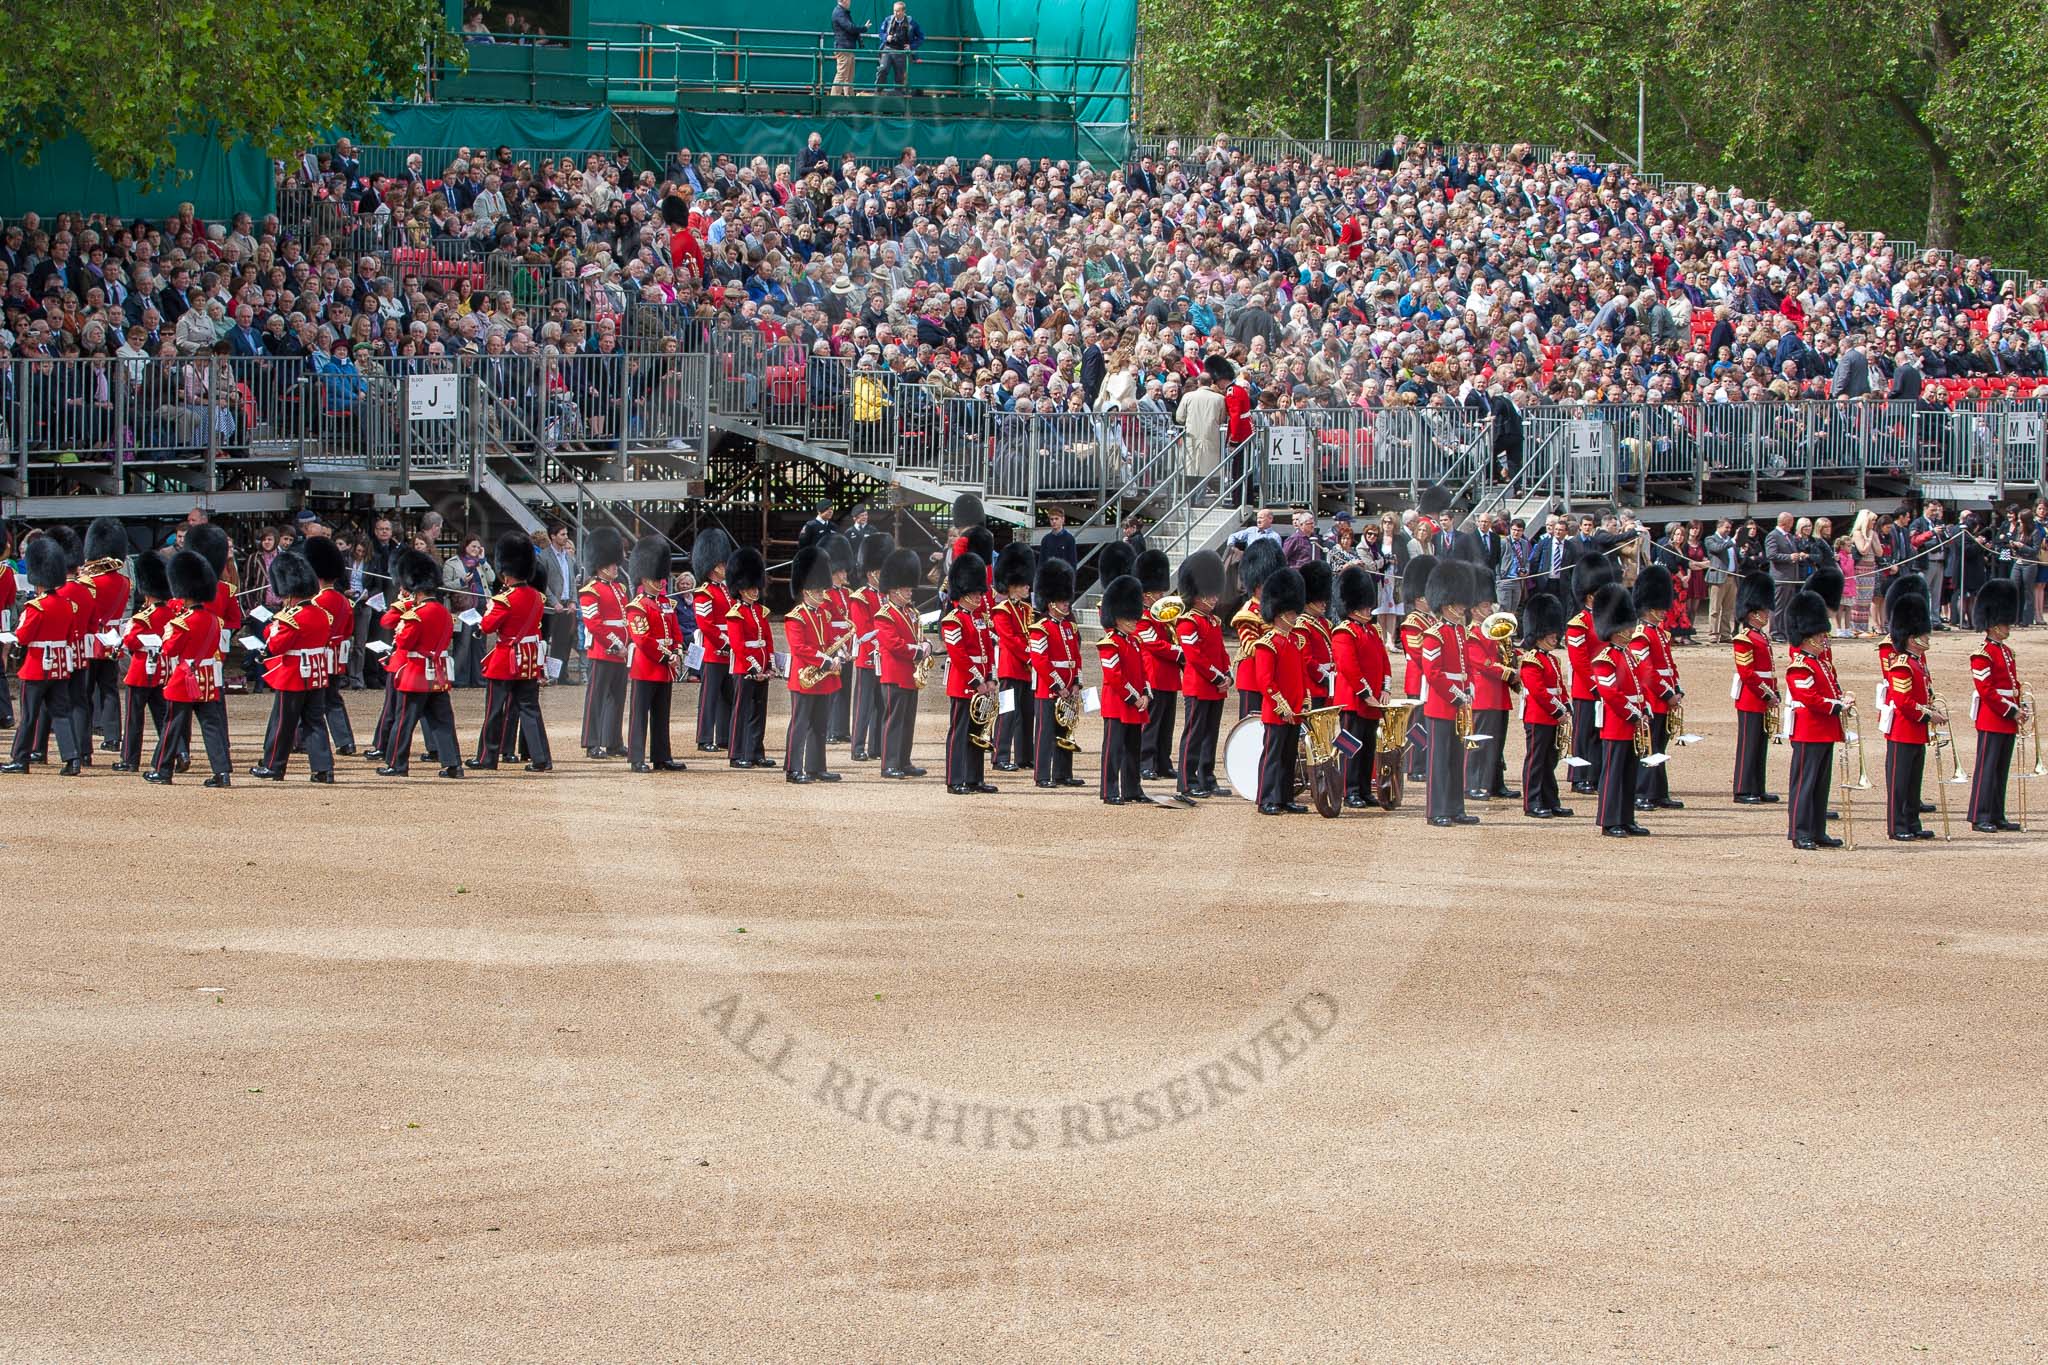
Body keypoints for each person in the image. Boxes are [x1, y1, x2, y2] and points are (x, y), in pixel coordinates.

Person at [469, 532, 553, 772]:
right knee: (530, 708)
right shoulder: (538, 597)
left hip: (506, 659)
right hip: (528, 659)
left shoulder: (504, 599)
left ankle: (487, 757)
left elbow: (487, 626)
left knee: (495, 710)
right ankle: (540, 758)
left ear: (506, 572)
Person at [144, 551, 229, 787]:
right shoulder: (214, 620)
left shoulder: (181, 622)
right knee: (212, 726)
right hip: (207, 678)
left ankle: (163, 770)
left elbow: (170, 650)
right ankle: (222, 772)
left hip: (184, 678)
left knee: (172, 725)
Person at [248, 551, 335, 783]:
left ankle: (274, 766)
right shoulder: (323, 614)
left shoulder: (291, 617)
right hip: (316, 673)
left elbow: (276, 644)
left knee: (283, 724)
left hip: (294, 674)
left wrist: (273, 624)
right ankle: (323, 768)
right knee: (315, 721)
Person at [377, 551, 463, 779]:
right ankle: (453, 763)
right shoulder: (444, 613)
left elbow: (404, 641)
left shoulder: (415, 614)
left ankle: (397, 764)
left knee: (404, 720)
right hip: (438, 673)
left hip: (415, 674)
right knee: (443, 721)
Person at [2, 538, 83, 775]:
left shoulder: (35, 607)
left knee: (28, 715)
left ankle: (20, 758)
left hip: (37, 666)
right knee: (61, 713)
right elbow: (70, 636)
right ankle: (72, 759)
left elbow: (24, 636)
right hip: (59, 665)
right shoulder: (67, 605)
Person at [1784, 589, 1849, 849]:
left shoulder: (1821, 663)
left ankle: (1817, 829)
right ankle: (1800, 832)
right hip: (1808, 730)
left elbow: (1831, 689)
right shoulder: (1800, 665)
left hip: (1824, 730)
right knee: (1805, 784)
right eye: (1821, 634)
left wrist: (1843, 699)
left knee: (1821, 785)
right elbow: (1810, 698)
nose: (1825, 638)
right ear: (1809, 637)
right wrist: (1837, 706)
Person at [1420, 559, 1479, 828]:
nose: (1463, 608)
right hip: (1443, 704)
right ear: (1446, 605)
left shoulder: (1460, 632)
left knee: (1457, 759)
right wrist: (1457, 694)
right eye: (1458, 604)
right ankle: (1437, 809)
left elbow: (1469, 667)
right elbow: (1433, 673)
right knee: (1440, 761)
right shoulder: (1435, 634)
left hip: (1460, 701)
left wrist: (1471, 687)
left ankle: (1455, 807)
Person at [1588, 583, 1649, 838]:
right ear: (1615, 629)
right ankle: (1608, 819)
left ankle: (1625, 818)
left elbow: (1638, 685)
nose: (1631, 630)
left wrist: (1643, 710)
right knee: (1613, 774)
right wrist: (1633, 712)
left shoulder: (1627, 655)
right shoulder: (1605, 658)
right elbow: (1610, 693)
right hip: (1617, 723)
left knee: (1628, 773)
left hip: (1632, 721)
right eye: (1627, 626)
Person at [624, 536, 688, 774]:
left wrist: (678, 650)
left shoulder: (664, 603)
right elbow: (642, 639)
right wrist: (667, 655)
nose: (660, 583)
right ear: (643, 578)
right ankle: (637, 758)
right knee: (640, 716)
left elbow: (676, 631)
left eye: (661, 578)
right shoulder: (637, 606)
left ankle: (662, 756)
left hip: (665, 667)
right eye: (655, 578)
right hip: (647, 666)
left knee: (662, 715)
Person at [782, 543, 843, 784]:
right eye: (818, 592)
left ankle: (817, 767)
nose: (822, 595)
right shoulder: (795, 617)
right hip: (805, 676)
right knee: (800, 724)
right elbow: (800, 648)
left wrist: (839, 654)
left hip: (823, 677)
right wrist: (826, 661)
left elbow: (829, 640)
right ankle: (793, 769)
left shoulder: (823, 615)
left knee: (820, 725)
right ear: (806, 591)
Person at [1967, 578, 2025, 833]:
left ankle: (1996, 813)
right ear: (1993, 625)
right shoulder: (1984, 653)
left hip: (2008, 716)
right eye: (2003, 622)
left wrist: (2019, 707)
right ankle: (1980, 815)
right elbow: (1986, 690)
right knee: (1987, 768)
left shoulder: (2006, 651)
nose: (2007, 626)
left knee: (2001, 769)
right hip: (1993, 716)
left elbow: (2013, 684)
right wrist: (2010, 709)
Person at [1332, 563, 1391, 810]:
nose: (1369, 608)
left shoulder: (1372, 630)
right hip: (1354, 700)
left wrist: (1385, 689)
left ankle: (1365, 788)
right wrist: (1366, 693)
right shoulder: (1344, 632)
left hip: (1373, 700)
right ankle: (1350, 789)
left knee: (1368, 748)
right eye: (1365, 605)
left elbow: (1385, 662)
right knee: (1351, 748)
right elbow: (1349, 667)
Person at [1879, 590, 1938, 841]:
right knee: (1900, 783)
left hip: (1916, 730)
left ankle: (1912, 821)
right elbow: (1903, 702)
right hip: (1904, 729)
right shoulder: (1902, 664)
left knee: (1913, 782)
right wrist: (1928, 715)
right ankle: (1898, 825)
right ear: (1912, 638)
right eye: (1923, 634)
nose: (1927, 637)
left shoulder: (1917, 663)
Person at [1250, 567, 1309, 816]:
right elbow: (1265, 680)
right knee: (1272, 756)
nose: (1295, 617)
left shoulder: (1295, 640)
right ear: (1279, 614)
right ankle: (1267, 798)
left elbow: (1301, 675)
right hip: (1277, 710)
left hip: (1294, 708)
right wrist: (1282, 706)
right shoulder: (1267, 644)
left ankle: (1284, 797)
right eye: (1291, 613)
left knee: (1288, 756)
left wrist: (1303, 701)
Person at [1627, 565, 1683, 811]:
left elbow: (1669, 666)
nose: (1663, 612)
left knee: (1660, 746)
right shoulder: (1641, 635)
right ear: (1649, 608)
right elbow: (1647, 672)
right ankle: (1642, 792)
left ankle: (1658, 791)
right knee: (1650, 747)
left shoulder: (1659, 634)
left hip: (1665, 697)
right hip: (1653, 698)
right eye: (1659, 608)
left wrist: (1677, 688)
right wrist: (1668, 693)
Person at [114, 551, 174, 773]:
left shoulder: (143, 617)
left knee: (134, 720)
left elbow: (129, 641)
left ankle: (130, 760)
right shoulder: (172, 614)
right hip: (162, 672)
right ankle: (175, 753)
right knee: (163, 718)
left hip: (141, 673)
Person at [1096, 571, 1153, 806]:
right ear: (1116, 616)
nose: (1133, 622)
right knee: (1113, 750)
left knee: (1133, 749)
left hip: (1136, 703)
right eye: (1128, 617)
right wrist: (1135, 698)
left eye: (1134, 617)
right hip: (1119, 704)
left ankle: (1132, 788)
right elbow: (1114, 676)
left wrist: (1146, 695)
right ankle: (1109, 790)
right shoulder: (1109, 643)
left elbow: (1143, 672)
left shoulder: (1135, 642)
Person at [1028, 557, 1085, 790]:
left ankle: (1063, 773)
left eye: (1066, 601)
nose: (1066, 605)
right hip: (1049, 690)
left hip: (1068, 688)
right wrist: (1058, 685)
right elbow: (1040, 660)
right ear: (1051, 603)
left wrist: (1076, 683)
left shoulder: (1069, 627)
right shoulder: (1040, 628)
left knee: (1066, 730)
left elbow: (1076, 657)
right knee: (1045, 733)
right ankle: (1042, 774)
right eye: (1062, 602)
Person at [872, 548, 928, 779]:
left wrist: (927, 646)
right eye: (906, 589)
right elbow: (894, 644)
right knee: (894, 721)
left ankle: (904, 760)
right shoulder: (884, 615)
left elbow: (919, 637)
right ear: (894, 591)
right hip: (895, 674)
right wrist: (918, 650)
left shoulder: (911, 612)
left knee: (907, 721)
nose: (909, 592)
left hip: (911, 674)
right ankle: (889, 764)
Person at [941, 552, 995, 794]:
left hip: (982, 682)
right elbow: (959, 655)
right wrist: (977, 681)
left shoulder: (979, 618)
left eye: (979, 592)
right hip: (965, 683)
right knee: (959, 731)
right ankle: (955, 779)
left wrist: (991, 678)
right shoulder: (953, 620)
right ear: (963, 593)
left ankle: (974, 778)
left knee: (978, 731)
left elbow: (989, 650)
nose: (979, 596)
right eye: (974, 593)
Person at [1516, 590, 1572, 819]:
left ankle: (1550, 800)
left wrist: (1567, 706)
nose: (1555, 637)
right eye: (1550, 634)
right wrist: (1558, 709)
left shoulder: (1553, 659)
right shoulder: (1531, 660)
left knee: (1550, 760)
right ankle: (1532, 802)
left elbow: (1560, 687)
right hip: (1539, 716)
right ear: (1538, 634)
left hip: (1553, 716)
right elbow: (1538, 692)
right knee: (1536, 761)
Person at [301, 535, 358, 756]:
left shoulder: (318, 601)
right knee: (332, 698)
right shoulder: (343, 600)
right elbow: (349, 629)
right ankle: (345, 741)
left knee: (310, 700)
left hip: (319, 657)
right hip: (336, 657)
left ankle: (305, 740)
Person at [1563, 555, 1616, 795]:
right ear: (1590, 595)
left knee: (1599, 731)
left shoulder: (1606, 618)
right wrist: (1595, 685)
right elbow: (1579, 660)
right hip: (1587, 687)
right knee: (1584, 733)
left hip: (1607, 684)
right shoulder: (1578, 623)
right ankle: (1579, 776)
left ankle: (1594, 774)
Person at [1463, 574, 1517, 803]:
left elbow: (1503, 656)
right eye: (1485, 605)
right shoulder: (1472, 633)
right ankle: (1473, 783)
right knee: (1480, 742)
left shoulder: (1494, 631)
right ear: (1475, 610)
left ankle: (1495, 782)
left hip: (1499, 694)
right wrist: (1509, 672)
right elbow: (1480, 662)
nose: (1489, 609)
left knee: (1497, 742)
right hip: (1483, 695)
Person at [577, 528, 631, 759]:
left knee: (617, 699)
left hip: (622, 651)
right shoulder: (591, 590)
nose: (615, 568)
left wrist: (628, 644)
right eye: (611, 564)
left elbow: (625, 619)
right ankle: (592, 742)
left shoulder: (620, 588)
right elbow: (594, 624)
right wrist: (617, 644)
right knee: (596, 699)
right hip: (603, 651)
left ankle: (613, 742)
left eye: (615, 563)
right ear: (600, 565)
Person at [1730, 572, 1782, 805]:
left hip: (1763, 697)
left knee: (1760, 744)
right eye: (1763, 611)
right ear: (1753, 614)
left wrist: (1774, 692)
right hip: (1752, 698)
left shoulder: (1761, 636)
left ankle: (1757, 787)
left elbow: (1768, 671)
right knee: (1748, 745)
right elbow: (1747, 673)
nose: (1767, 614)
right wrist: (1766, 694)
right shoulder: (1745, 638)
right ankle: (1742, 788)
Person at [80, 517, 131, 755]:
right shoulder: (124, 581)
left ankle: (85, 739)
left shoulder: (88, 582)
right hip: (112, 638)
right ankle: (112, 736)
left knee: (85, 691)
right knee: (109, 688)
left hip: (91, 640)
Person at [722, 547, 775, 770]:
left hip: (761, 666)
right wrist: (753, 668)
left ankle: (755, 751)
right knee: (742, 710)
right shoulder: (735, 613)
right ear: (740, 589)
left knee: (759, 710)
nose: (755, 591)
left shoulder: (760, 612)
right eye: (750, 587)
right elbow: (738, 645)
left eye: (756, 587)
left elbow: (768, 640)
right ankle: (737, 753)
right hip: (745, 668)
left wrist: (770, 664)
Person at [1132, 549, 1181, 780]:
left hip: (1169, 676)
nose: (1161, 596)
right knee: (1152, 723)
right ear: (1145, 596)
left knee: (1167, 723)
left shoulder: (1163, 618)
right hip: (1154, 674)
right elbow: (1155, 645)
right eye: (1157, 593)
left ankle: (1163, 761)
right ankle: (1146, 762)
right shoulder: (1142, 619)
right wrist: (1179, 652)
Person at [988, 542, 1037, 773]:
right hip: (1011, 668)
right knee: (1007, 713)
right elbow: (1009, 639)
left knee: (1028, 714)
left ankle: (1026, 756)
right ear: (1013, 585)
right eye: (1023, 584)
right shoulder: (1001, 610)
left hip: (1027, 670)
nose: (1028, 587)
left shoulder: (1027, 610)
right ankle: (1000, 756)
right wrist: (1030, 656)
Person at [848, 534, 896, 762]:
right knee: (863, 706)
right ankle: (857, 746)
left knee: (881, 704)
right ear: (870, 573)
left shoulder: (888, 596)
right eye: (879, 571)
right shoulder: (861, 597)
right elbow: (862, 630)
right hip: (868, 657)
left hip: (885, 658)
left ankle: (876, 746)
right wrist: (882, 642)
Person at [691, 528, 736, 752]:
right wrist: (724, 642)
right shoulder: (704, 593)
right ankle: (704, 737)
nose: (725, 567)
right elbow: (705, 625)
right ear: (712, 567)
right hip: (714, 650)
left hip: (730, 650)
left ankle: (725, 736)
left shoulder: (727, 591)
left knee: (728, 696)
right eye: (721, 564)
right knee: (709, 696)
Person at [1231, 539, 1283, 718]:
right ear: (1256, 585)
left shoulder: (1276, 610)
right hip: (1252, 678)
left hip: (1274, 677)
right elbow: (1250, 646)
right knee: (1250, 727)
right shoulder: (1249, 611)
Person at [1398, 554, 1438, 783]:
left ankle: (1424, 761)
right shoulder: (1411, 623)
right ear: (1417, 598)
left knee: (1427, 723)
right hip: (1419, 681)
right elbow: (1418, 654)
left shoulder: (1430, 620)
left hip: (1429, 681)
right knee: (1417, 725)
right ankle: (1413, 765)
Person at [874, 1, 922, 91]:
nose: (895, 13)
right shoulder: (888, 20)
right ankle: (878, 91)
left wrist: (911, 46)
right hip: (887, 49)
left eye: (898, 11)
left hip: (902, 52)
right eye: (894, 11)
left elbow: (921, 37)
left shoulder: (912, 23)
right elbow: (881, 33)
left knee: (900, 76)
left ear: (904, 11)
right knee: (882, 69)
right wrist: (886, 37)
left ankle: (898, 96)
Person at [829, 0, 866, 95]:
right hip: (843, 48)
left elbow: (851, 28)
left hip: (847, 48)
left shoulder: (842, 12)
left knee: (849, 76)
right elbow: (850, 27)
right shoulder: (839, 13)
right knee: (842, 75)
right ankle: (833, 100)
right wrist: (864, 28)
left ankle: (850, 99)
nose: (850, 2)